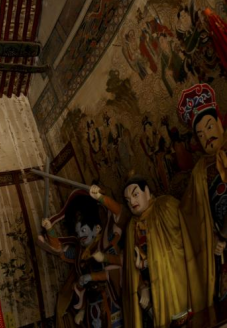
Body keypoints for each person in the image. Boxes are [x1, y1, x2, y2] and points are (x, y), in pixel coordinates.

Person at [123, 174, 203, 327]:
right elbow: (132, 270)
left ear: (147, 192)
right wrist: (143, 286)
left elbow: (187, 230)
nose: (132, 202)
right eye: (128, 200)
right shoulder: (131, 227)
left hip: (176, 277)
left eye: (135, 195)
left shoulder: (165, 206)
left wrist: (158, 259)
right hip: (154, 287)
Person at [41, 187, 123, 327]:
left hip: (111, 299)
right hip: (92, 304)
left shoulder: (107, 243)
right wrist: (49, 229)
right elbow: (60, 250)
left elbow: (118, 269)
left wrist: (92, 276)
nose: (80, 235)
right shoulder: (80, 253)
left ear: (97, 229)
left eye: (83, 230)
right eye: (78, 232)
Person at [179, 83, 226, 305]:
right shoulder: (200, 172)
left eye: (209, 127)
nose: (207, 136)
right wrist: (215, 237)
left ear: (220, 124)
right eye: (200, 134)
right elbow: (195, 217)